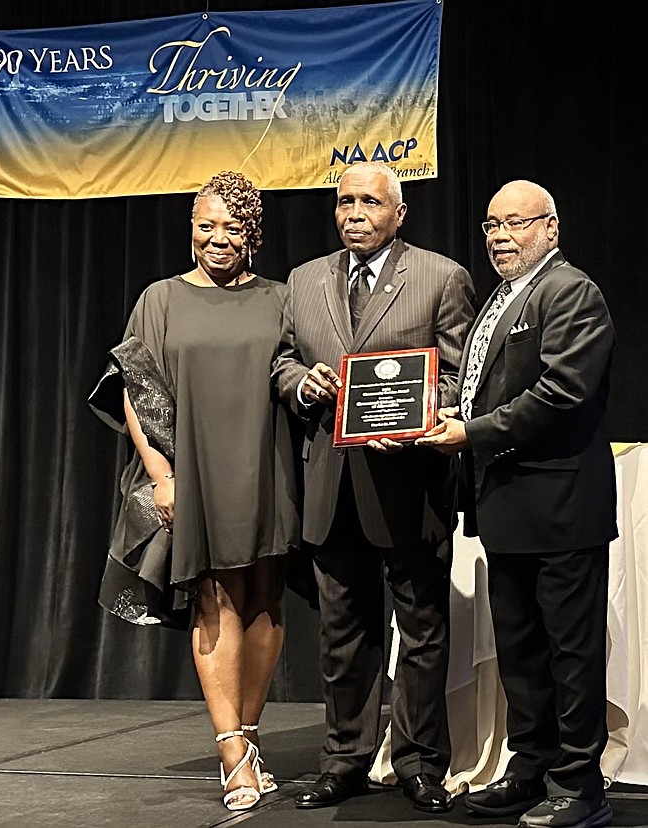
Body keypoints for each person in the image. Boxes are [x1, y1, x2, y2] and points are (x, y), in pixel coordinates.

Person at [89, 171, 299, 812]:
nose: (216, 237)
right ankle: (230, 750)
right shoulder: (160, 299)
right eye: (204, 225)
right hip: (194, 475)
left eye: (231, 226)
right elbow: (135, 389)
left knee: (265, 602)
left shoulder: (281, 298)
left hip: (266, 470)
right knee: (214, 600)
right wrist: (162, 477)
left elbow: (294, 374)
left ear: (252, 233)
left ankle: (250, 734)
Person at [272, 161, 476, 812]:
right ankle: (344, 759)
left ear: (399, 213)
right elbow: (281, 362)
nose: (353, 212)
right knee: (342, 633)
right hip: (332, 484)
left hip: (410, 483)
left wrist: (416, 416)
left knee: (421, 631)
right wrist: (303, 384)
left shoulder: (442, 277)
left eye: (368, 202)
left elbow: (461, 376)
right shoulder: (303, 281)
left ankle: (419, 764)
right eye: (343, 202)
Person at [420, 180, 616, 828]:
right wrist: (457, 413)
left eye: (516, 223)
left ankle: (580, 788)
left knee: (571, 657)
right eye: (491, 225)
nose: (501, 236)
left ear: (551, 228)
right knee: (522, 656)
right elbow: (493, 387)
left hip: (560, 511)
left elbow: (562, 393)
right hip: (507, 512)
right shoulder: (504, 297)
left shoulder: (571, 292)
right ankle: (530, 769)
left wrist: (469, 433)